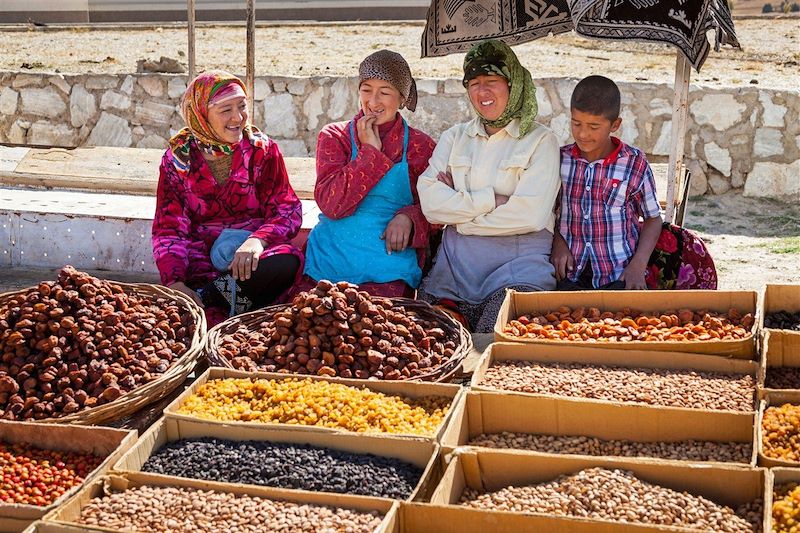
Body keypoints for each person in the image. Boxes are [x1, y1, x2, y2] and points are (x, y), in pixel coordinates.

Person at [416, 40, 561, 333]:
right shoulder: (455, 137)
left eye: (492, 81)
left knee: (495, 340)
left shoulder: (540, 141)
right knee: (432, 340)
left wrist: (460, 217)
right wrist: (492, 199)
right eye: (473, 83)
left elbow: (529, 216)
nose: (482, 92)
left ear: (513, 84)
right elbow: (431, 206)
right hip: (453, 275)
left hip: (517, 271)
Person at [151, 70, 302, 326]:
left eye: (242, 106)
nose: (238, 117)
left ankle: (214, 298)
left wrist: (257, 240)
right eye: (225, 110)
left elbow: (287, 209)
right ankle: (221, 299)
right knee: (200, 321)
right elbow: (169, 229)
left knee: (287, 260)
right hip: (201, 261)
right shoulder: (178, 161)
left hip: (249, 262)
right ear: (201, 115)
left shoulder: (261, 152)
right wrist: (175, 281)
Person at [297, 49, 437, 298]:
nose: (373, 102)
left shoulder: (421, 146)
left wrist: (410, 217)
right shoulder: (335, 136)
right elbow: (332, 206)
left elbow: (438, 211)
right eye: (366, 89)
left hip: (388, 265)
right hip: (329, 260)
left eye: (384, 92)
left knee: (382, 332)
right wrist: (371, 153)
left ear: (402, 98)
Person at [551, 75, 662, 291]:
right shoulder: (559, 160)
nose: (583, 134)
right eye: (576, 123)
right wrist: (557, 241)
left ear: (615, 124)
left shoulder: (634, 163)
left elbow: (652, 219)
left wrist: (638, 266)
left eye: (594, 126)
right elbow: (545, 212)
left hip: (619, 274)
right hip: (568, 273)